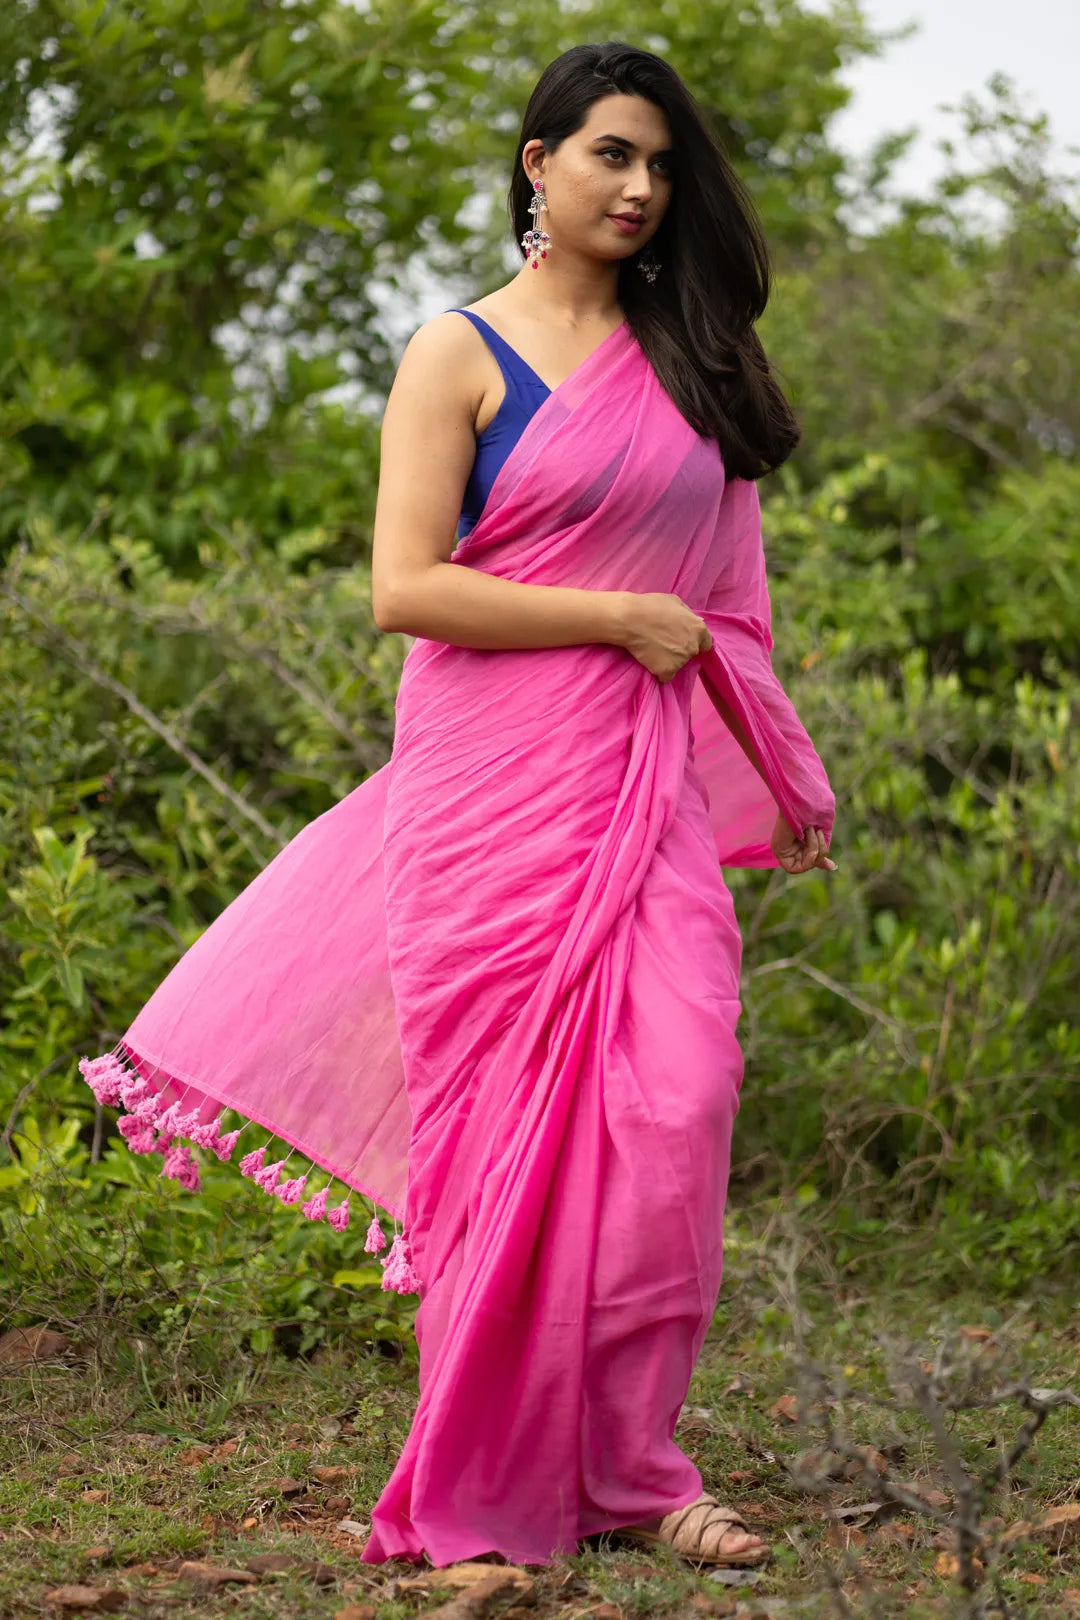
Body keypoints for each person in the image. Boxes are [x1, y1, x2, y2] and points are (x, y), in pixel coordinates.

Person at [78, 41, 836, 1572]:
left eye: (663, 164)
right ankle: (482, 1499)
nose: (640, 186)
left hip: (639, 801)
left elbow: (728, 610)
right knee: (498, 1143)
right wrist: (618, 618)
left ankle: (634, 1467)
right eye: (612, 154)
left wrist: (759, 735)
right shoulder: (459, 353)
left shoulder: (689, 361)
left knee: (675, 1110)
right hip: (488, 799)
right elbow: (404, 586)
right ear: (536, 166)